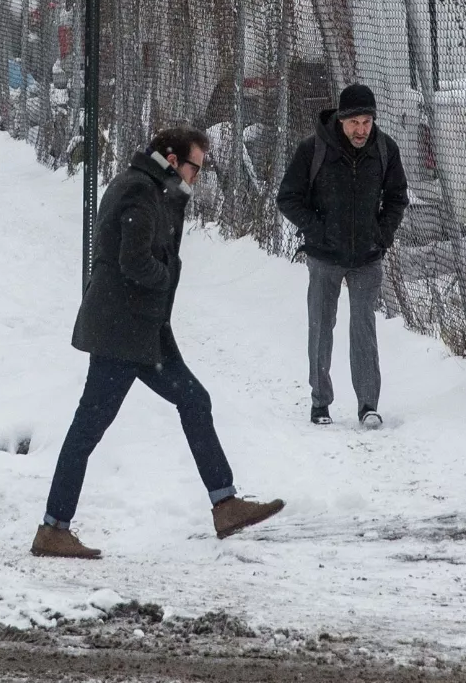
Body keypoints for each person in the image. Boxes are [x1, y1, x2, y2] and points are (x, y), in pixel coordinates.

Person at [33, 128, 286, 559]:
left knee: (194, 399)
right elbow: (135, 261)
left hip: (141, 330)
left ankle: (225, 505)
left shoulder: (150, 187)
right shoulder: (138, 190)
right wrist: (166, 278)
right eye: (193, 168)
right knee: (87, 429)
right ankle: (53, 528)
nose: (196, 178)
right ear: (171, 158)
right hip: (121, 333)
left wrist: (176, 200)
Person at [276, 83, 408, 429]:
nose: (361, 130)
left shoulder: (385, 149)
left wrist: (382, 233)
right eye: (355, 123)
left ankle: (368, 405)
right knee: (321, 327)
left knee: (364, 329)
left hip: (368, 256)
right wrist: (316, 230)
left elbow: (397, 198)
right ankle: (320, 402)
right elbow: (288, 197)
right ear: (341, 120)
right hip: (324, 257)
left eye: (367, 122)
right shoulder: (314, 149)